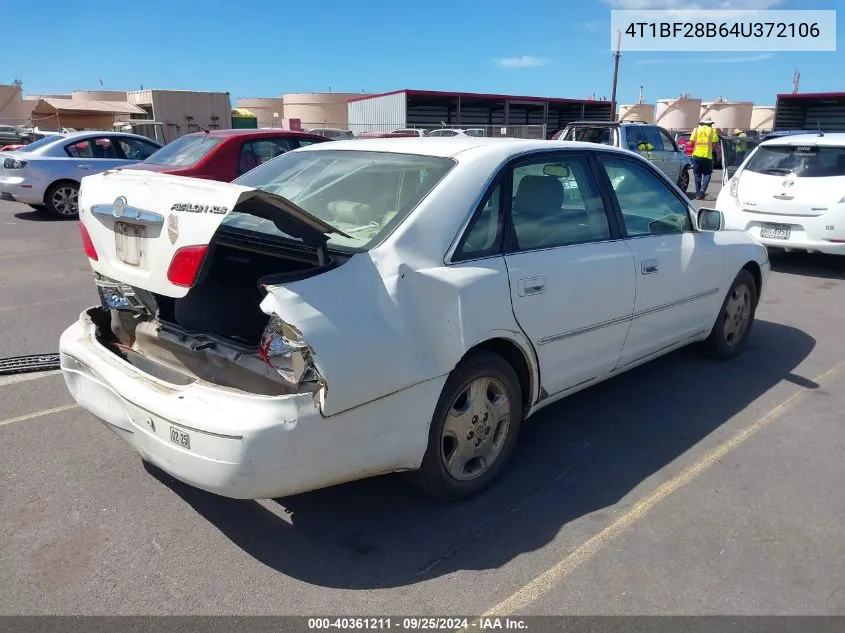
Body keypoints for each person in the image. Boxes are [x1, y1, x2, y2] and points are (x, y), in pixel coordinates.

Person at [689, 119, 719, 200]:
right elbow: (715, 144)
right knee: (707, 174)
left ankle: (698, 193)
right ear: (710, 124)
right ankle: (702, 191)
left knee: (697, 175)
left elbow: (691, 143)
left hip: (696, 155)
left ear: (701, 124)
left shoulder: (696, 130)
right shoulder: (713, 131)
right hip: (707, 156)